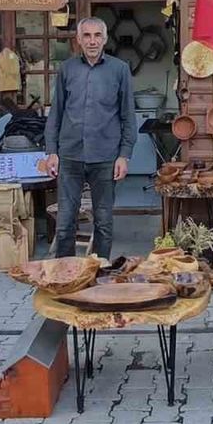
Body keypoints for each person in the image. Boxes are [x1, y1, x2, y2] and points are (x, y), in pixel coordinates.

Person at [43, 17, 136, 260]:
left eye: (97, 35)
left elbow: (128, 116)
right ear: (78, 40)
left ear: (105, 39)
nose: (92, 41)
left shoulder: (119, 70)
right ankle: (65, 273)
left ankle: (99, 273)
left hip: (105, 157)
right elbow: (56, 113)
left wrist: (124, 155)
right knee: (65, 223)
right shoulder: (67, 69)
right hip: (70, 156)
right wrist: (51, 151)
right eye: (87, 35)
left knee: (103, 222)